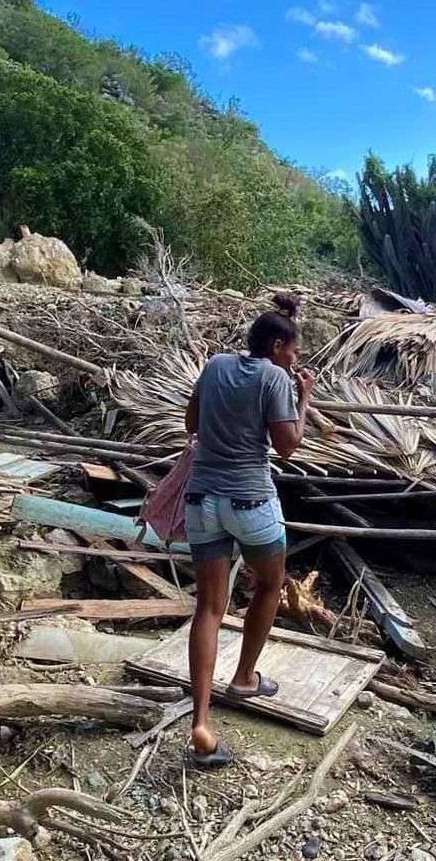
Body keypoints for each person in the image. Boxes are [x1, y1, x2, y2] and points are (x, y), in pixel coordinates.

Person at [182, 293, 314, 767]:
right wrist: (304, 399)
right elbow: (288, 447)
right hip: (251, 499)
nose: (296, 358)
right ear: (278, 345)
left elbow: (191, 422)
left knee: (210, 607)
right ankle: (243, 679)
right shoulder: (277, 378)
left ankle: (201, 721)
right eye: (295, 350)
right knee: (270, 584)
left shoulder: (216, 364)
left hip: (201, 499)